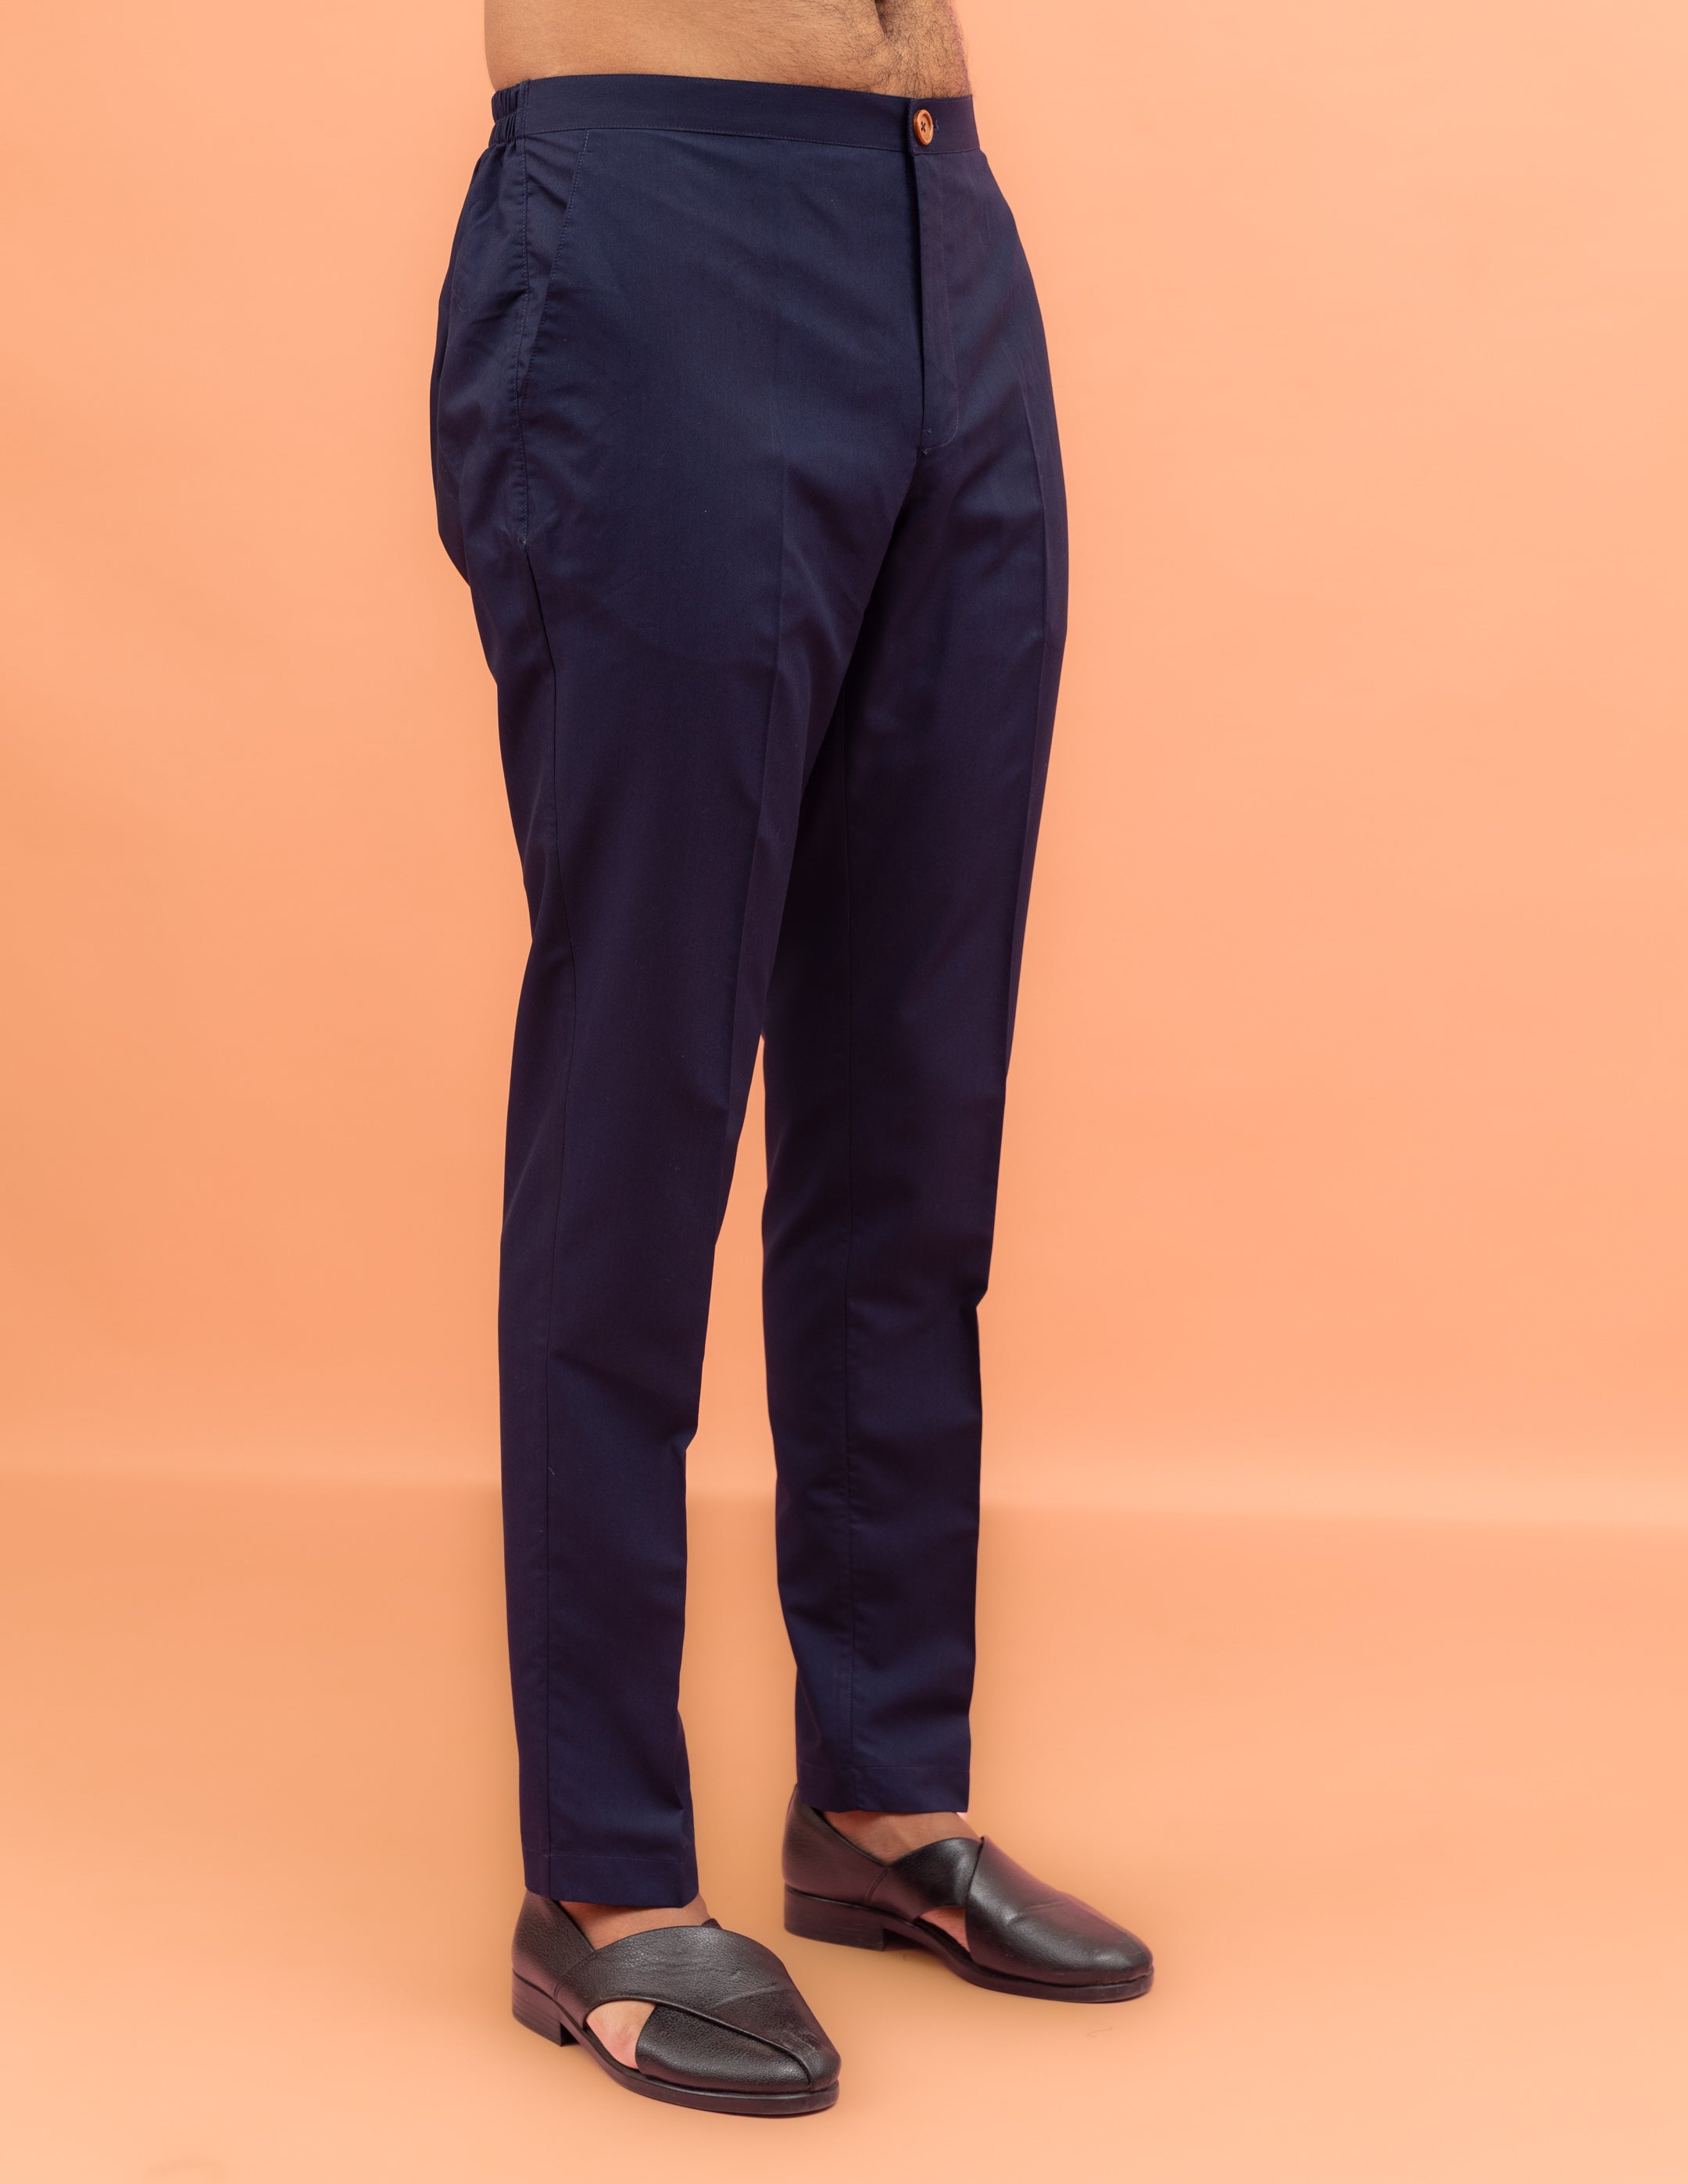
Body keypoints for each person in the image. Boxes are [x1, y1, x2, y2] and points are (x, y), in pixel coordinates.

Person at [430, 0, 1153, 2116]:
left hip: (940, 215)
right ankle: (603, 1874)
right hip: (658, 207)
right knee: (645, 1069)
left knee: (916, 1071)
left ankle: (882, 1795)